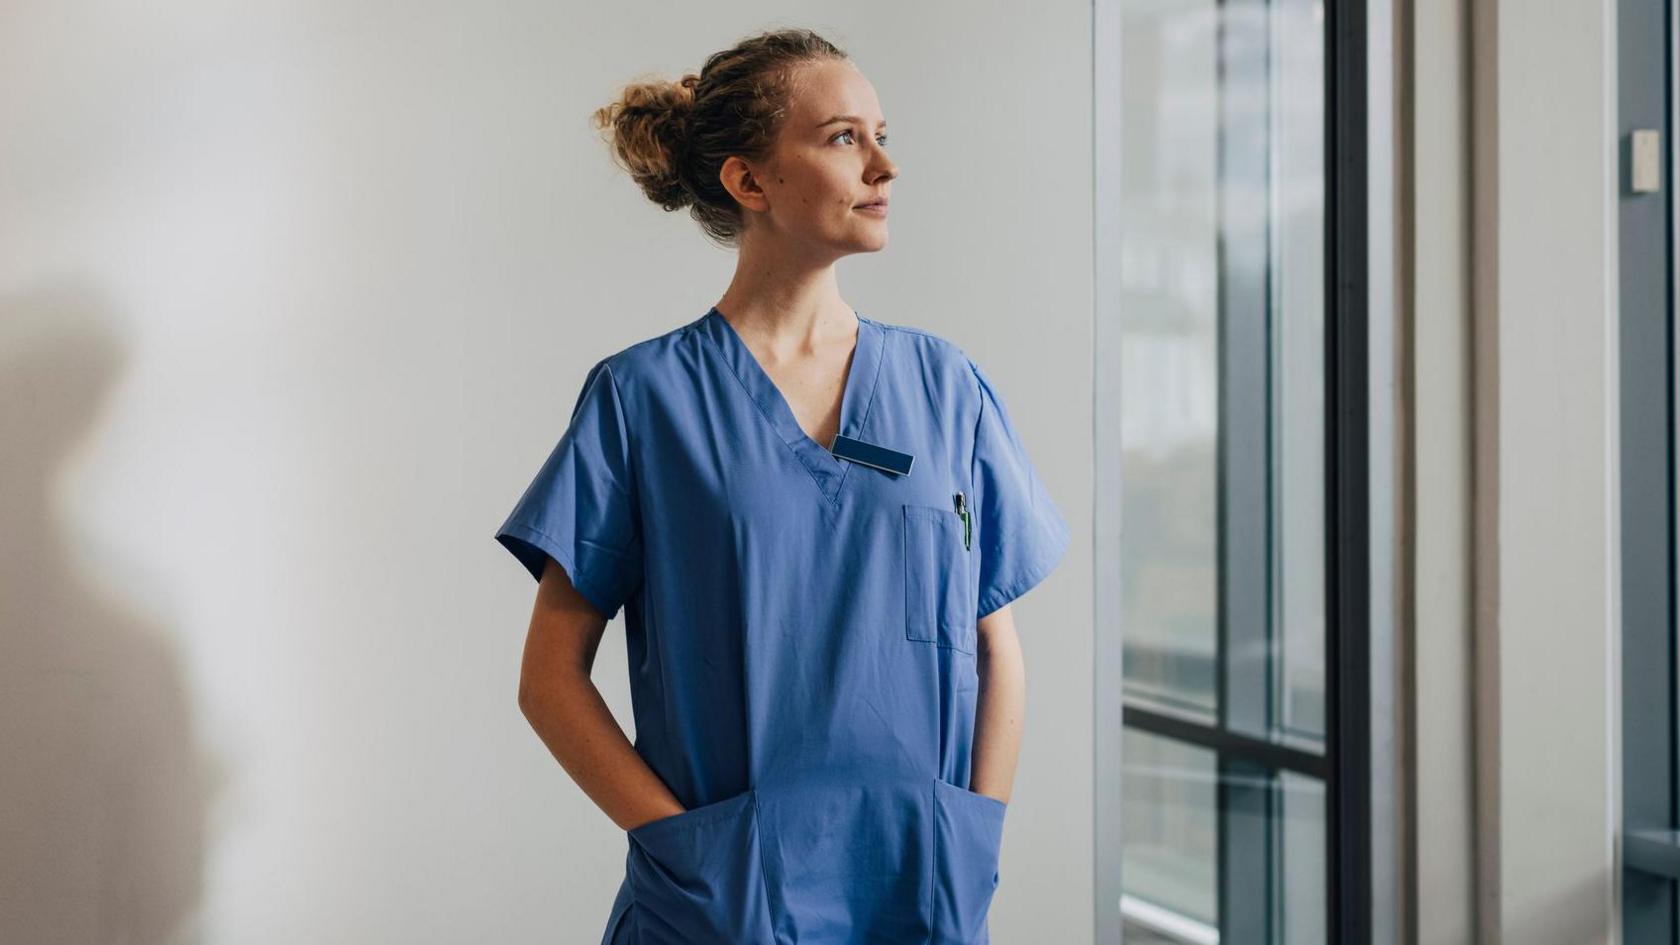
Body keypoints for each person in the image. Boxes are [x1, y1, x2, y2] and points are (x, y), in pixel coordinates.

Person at [495, 27, 1071, 945]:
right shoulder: (644, 399)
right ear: (749, 181)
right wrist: (695, 858)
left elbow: (996, 648)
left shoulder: (946, 386)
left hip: (918, 895)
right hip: (721, 909)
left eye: (883, 135)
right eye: (845, 137)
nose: (884, 166)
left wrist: (973, 841)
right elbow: (549, 679)